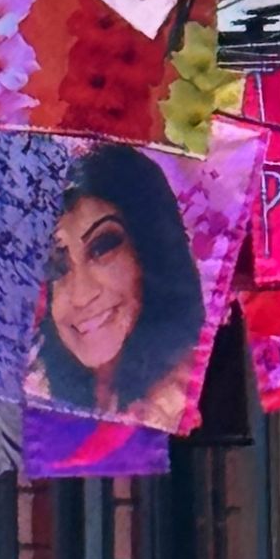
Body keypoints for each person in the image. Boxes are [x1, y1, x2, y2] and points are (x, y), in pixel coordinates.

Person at [27, 139, 205, 420]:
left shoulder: (189, 391)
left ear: (147, 250)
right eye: (55, 264)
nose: (80, 295)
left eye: (102, 248)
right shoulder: (34, 389)